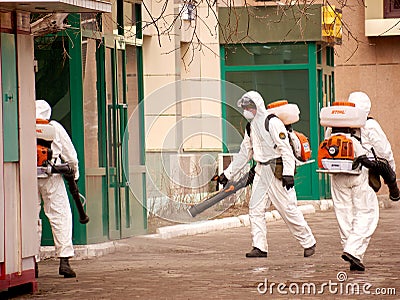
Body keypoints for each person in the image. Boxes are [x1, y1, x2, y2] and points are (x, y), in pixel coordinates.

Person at [217, 91, 316, 258]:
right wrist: (227, 174)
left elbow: (285, 148)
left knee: (288, 209)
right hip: (261, 170)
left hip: (277, 169)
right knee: (255, 209)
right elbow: (244, 153)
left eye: (249, 107)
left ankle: (308, 241)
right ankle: (259, 247)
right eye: (245, 107)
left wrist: (288, 173)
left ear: (257, 106)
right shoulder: (251, 127)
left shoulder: (272, 123)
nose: (247, 110)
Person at [36, 99, 79, 278]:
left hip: (27, 178)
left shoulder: (22, 126)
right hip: (52, 177)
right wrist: (74, 175)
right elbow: (70, 155)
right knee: (60, 216)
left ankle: (32, 262)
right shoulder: (55, 127)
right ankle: (64, 261)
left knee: (30, 219)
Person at [348, 91, 400, 201]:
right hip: (362, 173)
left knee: (344, 212)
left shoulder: (335, 125)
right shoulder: (370, 125)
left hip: (339, 176)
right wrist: (391, 175)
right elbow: (384, 151)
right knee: (367, 212)